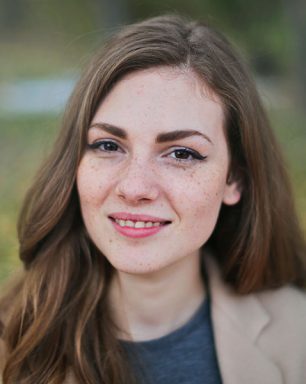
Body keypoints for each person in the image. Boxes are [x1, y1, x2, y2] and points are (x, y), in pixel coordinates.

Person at [1, 14, 306, 384]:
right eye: (108, 145)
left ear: (234, 179)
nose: (134, 187)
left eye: (181, 154)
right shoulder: (10, 342)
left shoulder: (297, 335)